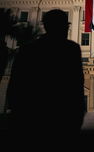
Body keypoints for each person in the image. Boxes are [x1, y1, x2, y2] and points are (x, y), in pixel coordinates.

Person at [7, 9, 86, 147]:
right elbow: (76, 85)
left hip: (34, 116)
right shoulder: (71, 49)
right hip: (59, 116)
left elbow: (15, 85)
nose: (66, 29)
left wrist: (16, 112)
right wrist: (77, 115)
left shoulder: (27, 49)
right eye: (64, 25)